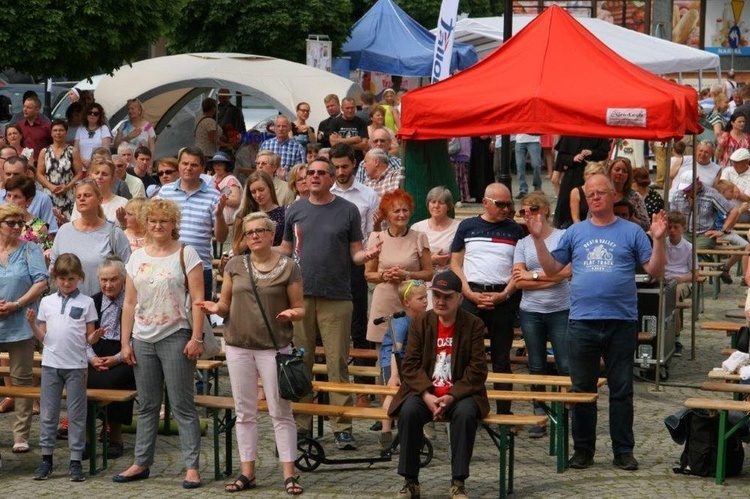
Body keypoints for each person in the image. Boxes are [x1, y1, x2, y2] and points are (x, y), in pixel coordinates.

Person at [527, 173, 667, 471]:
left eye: (600, 193)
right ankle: (583, 450)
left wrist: (659, 239)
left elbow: (654, 270)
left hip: (621, 321)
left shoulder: (631, 231)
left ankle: (623, 451)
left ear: (613, 195)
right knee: (581, 391)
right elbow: (552, 269)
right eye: (590, 194)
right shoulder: (575, 232)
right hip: (582, 322)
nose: (595, 198)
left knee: (621, 390)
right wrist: (539, 240)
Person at [197, 212, 305, 495]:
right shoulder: (234, 264)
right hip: (238, 345)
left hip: (274, 348)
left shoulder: (288, 266)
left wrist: (294, 313)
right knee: (244, 412)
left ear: (272, 234)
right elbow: (224, 304)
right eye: (249, 233)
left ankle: (289, 473)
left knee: (280, 412)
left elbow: (301, 307)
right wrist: (214, 308)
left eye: (260, 231)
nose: (254, 236)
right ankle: (248, 472)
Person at [278, 156, 381, 447]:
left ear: (332, 178)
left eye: (322, 173)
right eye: (310, 172)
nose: (314, 176)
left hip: (337, 296)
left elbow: (355, 254)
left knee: (337, 362)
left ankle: (341, 425)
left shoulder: (347, 210)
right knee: (301, 362)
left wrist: (369, 256)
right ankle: (301, 425)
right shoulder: (294, 209)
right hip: (299, 296)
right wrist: (254, 252)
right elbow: (286, 249)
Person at [114, 199, 205, 488]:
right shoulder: (137, 256)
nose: (157, 226)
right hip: (142, 338)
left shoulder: (187, 254)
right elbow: (129, 302)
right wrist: (125, 341)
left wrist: (196, 337)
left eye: (163, 221)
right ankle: (141, 462)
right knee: (148, 405)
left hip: (176, 335)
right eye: (152, 221)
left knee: (182, 405)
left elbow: (199, 302)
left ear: (173, 224)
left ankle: (192, 467)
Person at [388, 270, 489, 499]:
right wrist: (426, 394)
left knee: (465, 415)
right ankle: (410, 481)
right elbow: (410, 365)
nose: (441, 301)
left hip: (460, 395)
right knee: (409, 411)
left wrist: (452, 396)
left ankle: (458, 482)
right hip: (426, 392)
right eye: (437, 296)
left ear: (459, 298)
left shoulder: (473, 324)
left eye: (447, 296)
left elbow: (477, 370)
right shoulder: (421, 322)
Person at [26, 253, 103, 482]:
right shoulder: (47, 302)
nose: (66, 283)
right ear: (55, 278)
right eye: (62, 279)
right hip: (51, 364)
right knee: (48, 414)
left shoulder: (87, 302)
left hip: (76, 366)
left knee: (77, 414)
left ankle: (75, 460)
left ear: (79, 277)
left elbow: (88, 338)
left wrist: (94, 338)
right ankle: (46, 459)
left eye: (70, 278)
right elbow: (43, 336)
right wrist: (32, 324)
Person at [450, 183, 523, 415]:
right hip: (472, 295)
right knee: (467, 355)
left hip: (503, 297)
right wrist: (468, 293)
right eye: (500, 204)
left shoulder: (515, 230)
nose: (505, 208)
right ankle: (468, 406)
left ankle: (504, 410)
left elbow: (520, 268)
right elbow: (455, 263)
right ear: (485, 203)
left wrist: (504, 294)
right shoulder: (467, 225)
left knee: (502, 357)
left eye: (508, 204)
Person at [512, 192, 571, 437]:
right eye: (524, 211)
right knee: (535, 364)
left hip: (560, 308)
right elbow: (518, 280)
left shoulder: (562, 237)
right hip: (531, 311)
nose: (529, 215)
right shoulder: (522, 243)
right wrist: (551, 278)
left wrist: (534, 275)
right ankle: (539, 414)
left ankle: (567, 411)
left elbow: (567, 271)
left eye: (533, 209)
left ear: (546, 210)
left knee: (565, 362)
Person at [329, 143, 380, 397]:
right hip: (329, 265)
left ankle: (363, 388)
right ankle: (326, 388)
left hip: (356, 264)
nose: (340, 172)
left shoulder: (368, 195)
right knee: (327, 326)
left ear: (354, 165)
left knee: (359, 325)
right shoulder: (326, 191)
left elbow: (371, 233)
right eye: (336, 167)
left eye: (344, 167)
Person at [0, 203, 48, 452]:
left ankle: (21, 435)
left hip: (22, 321)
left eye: (20, 222)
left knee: (22, 379)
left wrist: (17, 304)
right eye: (11, 222)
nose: (17, 227)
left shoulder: (30, 249)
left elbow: (41, 282)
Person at [156, 147, 228, 301]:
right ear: (179, 165)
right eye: (185, 163)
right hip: (168, 266)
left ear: (202, 168)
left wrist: (220, 216)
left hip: (200, 267)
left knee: (200, 319)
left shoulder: (214, 195)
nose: (188, 168)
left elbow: (221, 238)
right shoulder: (164, 193)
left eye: (194, 165)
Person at [365, 189, 432, 352]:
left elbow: (429, 273)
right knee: (385, 355)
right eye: (396, 211)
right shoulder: (377, 238)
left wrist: (407, 275)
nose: (402, 214)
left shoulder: (419, 237)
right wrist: (384, 275)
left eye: (405, 210)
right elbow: (368, 274)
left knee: (413, 352)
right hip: (385, 302)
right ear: (387, 215)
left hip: (411, 303)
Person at [87, 256, 137, 459]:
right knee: (81, 377)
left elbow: (138, 337)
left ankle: (115, 436)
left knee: (117, 379)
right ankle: (87, 437)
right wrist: (91, 358)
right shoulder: (92, 301)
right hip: (95, 351)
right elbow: (81, 339)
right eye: (104, 280)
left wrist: (117, 357)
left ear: (124, 279)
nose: (108, 285)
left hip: (124, 352)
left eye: (113, 279)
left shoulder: (133, 301)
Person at [49, 181, 132, 297]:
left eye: (87, 195)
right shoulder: (64, 231)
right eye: (78, 196)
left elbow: (128, 270)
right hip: (68, 305)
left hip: (102, 306)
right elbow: (53, 267)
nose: (82, 199)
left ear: (100, 200)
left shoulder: (114, 233)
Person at [378, 279, 428, 448]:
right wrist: (394, 374)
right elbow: (395, 350)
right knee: (393, 393)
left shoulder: (421, 319)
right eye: (420, 299)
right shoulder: (402, 321)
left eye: (426, 297)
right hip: (392, 363)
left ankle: (414, 429)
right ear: (407, 302)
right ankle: (385, 430)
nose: (426, 301)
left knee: (413, 394)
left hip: (408, 363)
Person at [553, 136, 612, 228]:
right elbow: (561, 157)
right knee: (566, 205)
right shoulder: (570, 134)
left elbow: (604, 153)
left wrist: (592, 152)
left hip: (592, 173)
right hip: (572, 175)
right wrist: (573, 158)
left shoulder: (596, 132)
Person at [36, 119, 83, 217]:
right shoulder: (44, 152)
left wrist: (68, 186)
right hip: (49, 194)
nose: (58, 133)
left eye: (61, 130)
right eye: (55, 130)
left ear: (66, 132)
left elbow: (79, 173)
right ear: (51, 132)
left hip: (68, 193)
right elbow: (39, 174)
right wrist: (50, 186)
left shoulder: (72, 151)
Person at [411, 186, 461, 275]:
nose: (436, 206)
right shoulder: (417, 228)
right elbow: (409, 259)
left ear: (448, 206)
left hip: (450, 276)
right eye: (433, 202)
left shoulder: (459, 227)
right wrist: (431, 260)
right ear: (428, 204)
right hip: (423, 276)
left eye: (441, 203)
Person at [232, 171, 285, 252]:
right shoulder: (244, 214)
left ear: (270, 188)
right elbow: (237, 249)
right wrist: (252, 231)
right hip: (249, 261)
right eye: (253, 192)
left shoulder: (284, 214)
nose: (258, 195)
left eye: (261, 190)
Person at [665, 211, 694, 355]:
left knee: (673, 295)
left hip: (682, 280)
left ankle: (676, 338)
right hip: (664, 279)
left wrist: (680, 279)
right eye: (669, 227)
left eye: (676, 227)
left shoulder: (688, 247)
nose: (672, 231)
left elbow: (695, 273)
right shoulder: (662, 244)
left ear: (683, 228)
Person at [4, 176, 54, 250]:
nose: (10, 200)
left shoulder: (39, 227)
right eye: (8, 195)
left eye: (16, 197)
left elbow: (47, 255)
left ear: (29, 200)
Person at [208, 151, 242, 253]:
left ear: (226, 166)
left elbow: (236, 200)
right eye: (215, 164)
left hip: (229, 224)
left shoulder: (230, 180)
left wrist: (217, 195)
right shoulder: (212, 179)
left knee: (226, 252)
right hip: (214, 224)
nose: (217, 166)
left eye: (220, 164)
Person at [606, 157, 649, 230]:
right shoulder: (601, 194)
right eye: (617, 170)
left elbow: (646, 225)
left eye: (624, 171)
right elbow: (590, 218)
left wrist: (631, 218)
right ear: (610, 171)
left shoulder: (635, 197)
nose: (620, 173)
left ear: (628, 176)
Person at [75, 103, 112, 168]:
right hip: (81, 167)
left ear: (99, 116)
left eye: (96, 113)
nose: (92, 115)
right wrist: (83, 161)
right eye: (90, 112)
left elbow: (105, 150)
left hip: (98, 167)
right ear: (86, 114)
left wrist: (91, 161)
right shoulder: (80, 129)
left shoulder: (103, 128)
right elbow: (76, 149)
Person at [17, 96, 51, 162]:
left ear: (37, 109)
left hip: (41, 162)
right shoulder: (20, 125)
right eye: (24, 106)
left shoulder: (46, 126)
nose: (25, 109)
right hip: (24, 163)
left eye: (28, 107)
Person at [515, 134, 543, 199]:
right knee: (520, 165)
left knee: (536, 165)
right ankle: (523, 189)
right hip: (520, 139)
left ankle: (537, 187)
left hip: (534, 139)